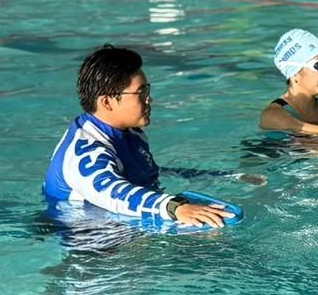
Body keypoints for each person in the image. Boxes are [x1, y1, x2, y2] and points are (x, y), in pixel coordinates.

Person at [44, 44, 234, 227]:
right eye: (141, 92)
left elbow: (152, 173)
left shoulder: (130, 134)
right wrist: (174, 207)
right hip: (88, 238)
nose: (149, 99)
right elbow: (115, 194)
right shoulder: (86, 152)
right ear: (107, 102)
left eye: (147, 90)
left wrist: (227, 177)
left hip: (123, 224)